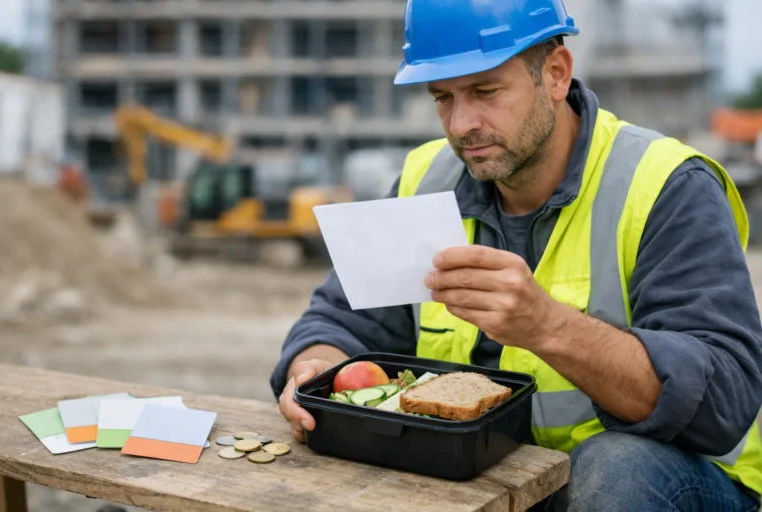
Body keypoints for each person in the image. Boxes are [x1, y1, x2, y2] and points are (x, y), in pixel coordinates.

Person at [270, 0, 762, 510]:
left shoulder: (666, 186)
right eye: (443, 98)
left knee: (620, 468)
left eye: (485, 91)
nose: (461, 125)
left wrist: (546, 326)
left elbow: (722, 405)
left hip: (674, 489)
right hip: (486, 480)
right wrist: (315, 374)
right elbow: (339, 320)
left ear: (554, 73)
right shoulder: (425, 180)